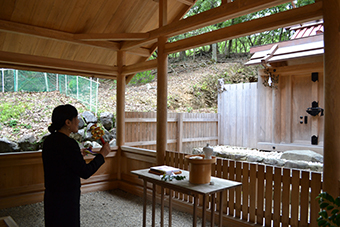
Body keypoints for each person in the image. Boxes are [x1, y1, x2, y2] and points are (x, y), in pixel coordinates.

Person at [42, 104, 110, 227]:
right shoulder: (69, 144)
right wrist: (102, 155)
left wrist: (77, 156)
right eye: (76, 118)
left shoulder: (48, 141)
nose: (78, 121)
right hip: (66, 197)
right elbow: (85, 172)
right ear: (68, 122)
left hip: (51, 195)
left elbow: (61, 163)